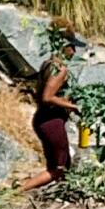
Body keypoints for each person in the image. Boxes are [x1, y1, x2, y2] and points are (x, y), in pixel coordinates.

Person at [18, 22, 78, 192]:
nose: (74, 52)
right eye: (72, 47)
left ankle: (62, 194)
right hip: (51, 122)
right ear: (63, 45)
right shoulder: (60, 69)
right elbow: (47, 96)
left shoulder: (48, 63)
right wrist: (73, 106)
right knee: (57, 169)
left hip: (42, 120)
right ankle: (16, 192)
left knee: (62, 163)